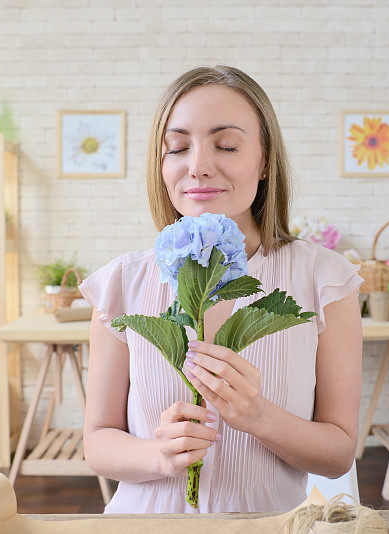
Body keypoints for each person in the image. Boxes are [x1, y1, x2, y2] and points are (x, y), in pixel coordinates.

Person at [78, 65, 363, 514]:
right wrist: (159, 454)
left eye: (226, 145)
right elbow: (97, 442)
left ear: (266, 159)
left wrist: (261, 417)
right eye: (178, 147)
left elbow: (339, 453)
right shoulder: (122, 284)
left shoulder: (325, 281)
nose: (199, 167)